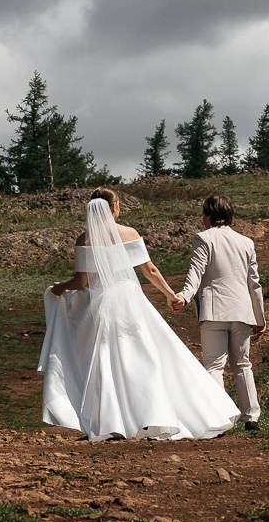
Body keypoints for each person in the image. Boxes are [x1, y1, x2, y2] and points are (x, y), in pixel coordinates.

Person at [39, 187, 240, 441]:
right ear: (113, 208)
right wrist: (170, 295)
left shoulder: (84, 240)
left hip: (101, 304)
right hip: (129, 300)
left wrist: (59, 288)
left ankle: (112, 420)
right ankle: (157, 413)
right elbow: (150, 270)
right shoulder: (128, 233)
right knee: (147, 353)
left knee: (107, 358)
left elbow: (81, 282)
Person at [172, 194, 265, 431]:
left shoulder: (203, 239)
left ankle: (223, 416)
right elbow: (254, 283)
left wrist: (185, 296)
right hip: (242, 310)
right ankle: (251, 417)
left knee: (214, 365)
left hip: (214, 310)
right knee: (243, 364)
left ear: (208, 215)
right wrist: (260, 316)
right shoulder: (246, 242)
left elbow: (196, 271)